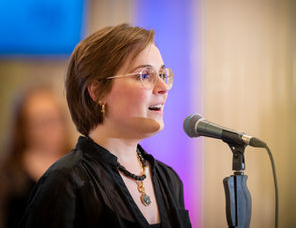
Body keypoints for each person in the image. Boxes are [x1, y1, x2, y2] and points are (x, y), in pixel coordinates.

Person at [19, 24, 192, 228]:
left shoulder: (169, 180)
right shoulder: (66, 182)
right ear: (98, 91)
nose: (163, 88)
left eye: (162, 75)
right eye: (144, 75)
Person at [0, 86, 71, 228]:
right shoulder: (8, 173)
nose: (50, 128)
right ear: (24, 128)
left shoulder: (82, 167)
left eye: (54, 119)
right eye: (40, 122)